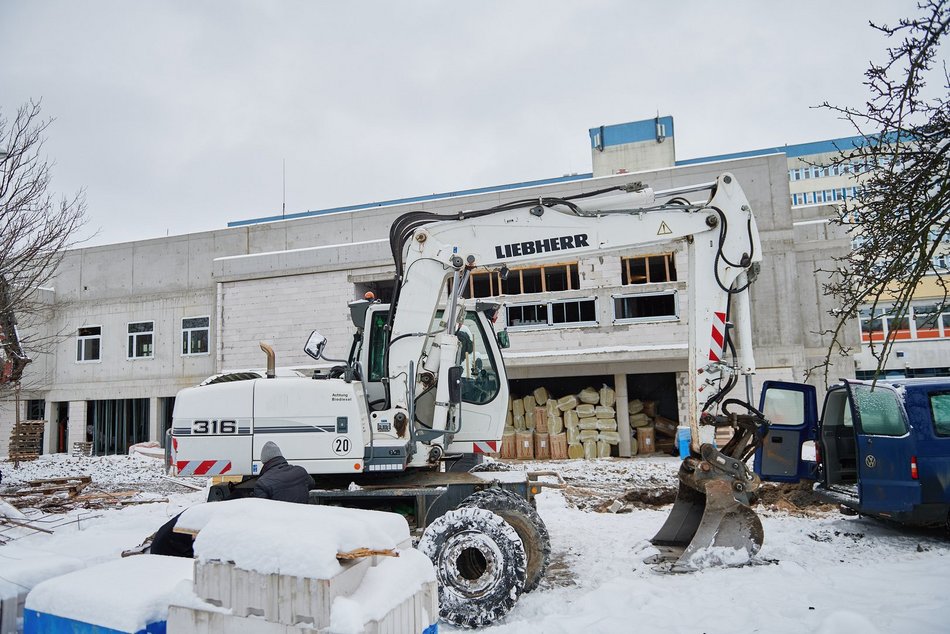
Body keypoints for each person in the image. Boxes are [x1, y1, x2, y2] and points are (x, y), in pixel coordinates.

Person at [142, 441, 313, 557]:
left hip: (278, 529)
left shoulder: (264, 482)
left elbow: (260, 512)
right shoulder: (301, 472)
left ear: (264, 462)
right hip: (295, 524)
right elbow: (310, 483)